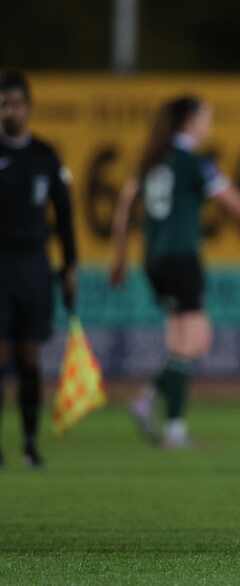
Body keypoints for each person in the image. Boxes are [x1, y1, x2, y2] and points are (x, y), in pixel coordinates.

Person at [109, 95, 240, 449]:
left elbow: (124, 205)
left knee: (180, 342)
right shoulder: (195, 163)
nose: (209, 126)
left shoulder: (152, 159)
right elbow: (239, 206)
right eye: (206, 119)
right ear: (190, 123)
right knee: (196, 341)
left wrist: (118, 257)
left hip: (153, 260)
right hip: (181, 258)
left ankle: (163, 417)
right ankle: (156, 410)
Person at [0, 70, 78, 469]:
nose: (9, 111)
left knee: (29, 357)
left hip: (34, 267)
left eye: (15, 104)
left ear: (28, 107)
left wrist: (70, 266)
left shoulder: (46, 156)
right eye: (3, 105)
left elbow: (64, 216)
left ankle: (30, 445)